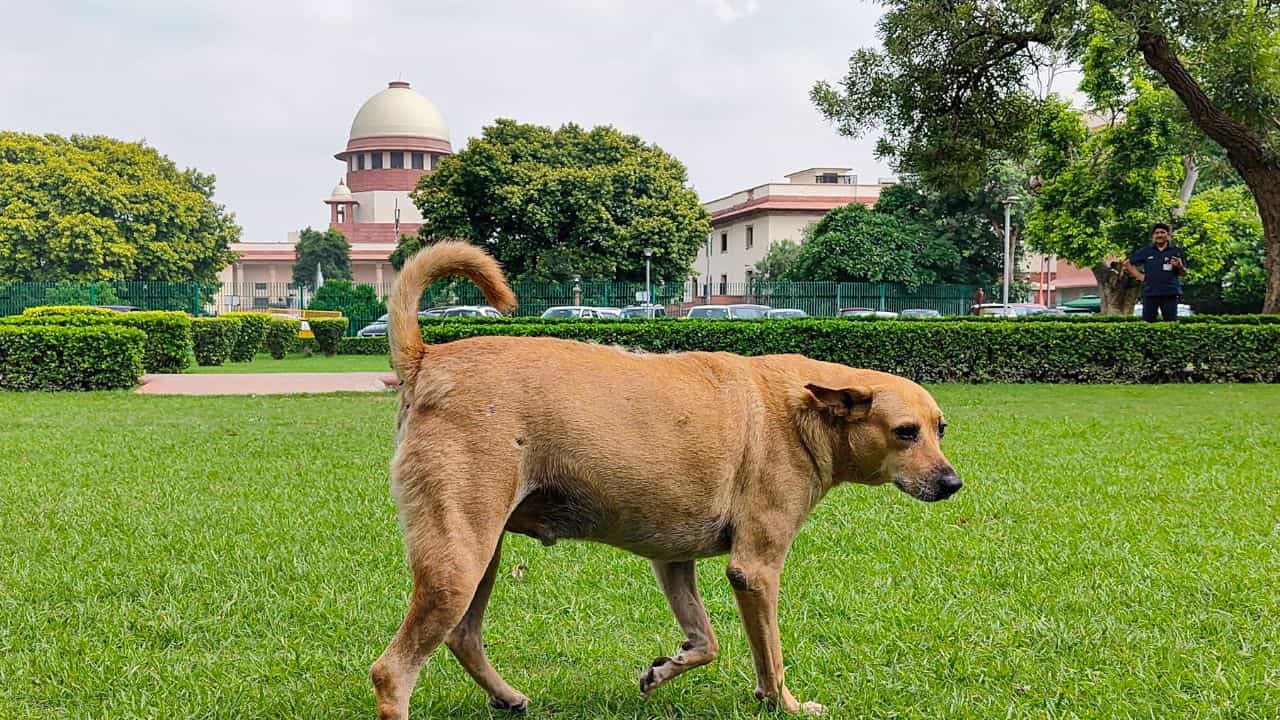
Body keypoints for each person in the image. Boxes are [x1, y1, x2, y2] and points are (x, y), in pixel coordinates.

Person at [1124, 223, 1187, 322]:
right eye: (1157, 233)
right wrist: (1140, 276)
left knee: (1171, 323)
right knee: (1148, 323)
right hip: (1150, 292)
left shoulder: (1176, 251)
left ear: (1168, 235)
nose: (1159, 235)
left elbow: (1183, 273)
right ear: (1153, 236)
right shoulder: (1146, 251)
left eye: (1162, 232)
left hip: (1170, 292)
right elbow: (1127, 263)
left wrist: (1179, 266)